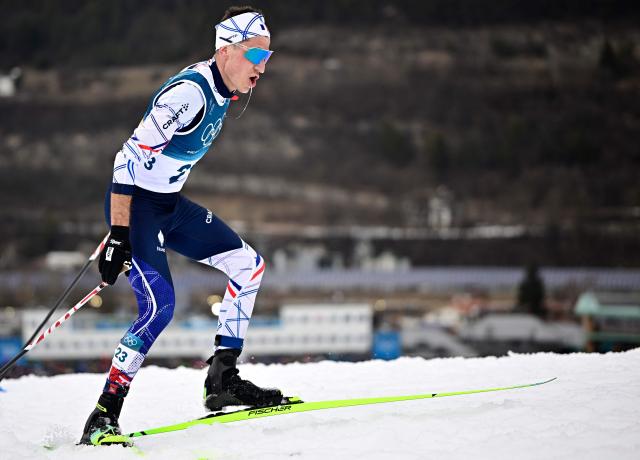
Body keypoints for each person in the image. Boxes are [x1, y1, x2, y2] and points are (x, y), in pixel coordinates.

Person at [80, 6, 283, 445]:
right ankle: (103, 415)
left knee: (248, 266)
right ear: (227, 51)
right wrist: (119, 234)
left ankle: (222, 379)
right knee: (160, 308)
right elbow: (126, 158)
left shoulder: (224, 88)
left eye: (268, 57)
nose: (262, 67)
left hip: (169, 207)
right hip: (138, 210)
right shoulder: (188, 94)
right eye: (255, 56)